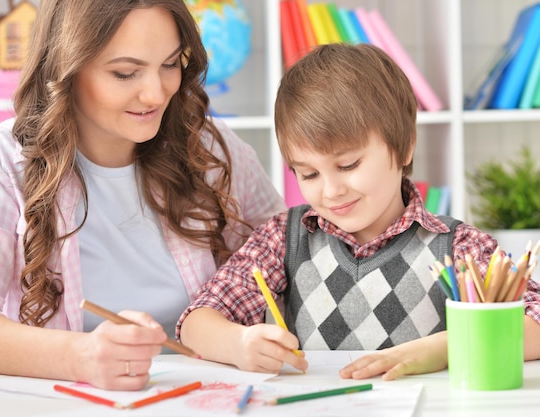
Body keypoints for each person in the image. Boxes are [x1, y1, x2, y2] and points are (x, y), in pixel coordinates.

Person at [0, 0, 285, 391]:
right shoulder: (4, 161)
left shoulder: (211, 150)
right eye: (125, 73)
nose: (155, 94)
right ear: (67, 68)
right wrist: (81, 357)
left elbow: (295, 254)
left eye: (169, 64)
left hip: (210, 397)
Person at [178, 43, 540, 379]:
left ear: (404, 147)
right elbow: (196, 323)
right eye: (309, 173)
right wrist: (239, 344)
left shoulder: (456, 246)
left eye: (349, 165)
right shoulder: (282, 238)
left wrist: (443, 348)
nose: (332, 190)